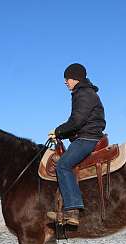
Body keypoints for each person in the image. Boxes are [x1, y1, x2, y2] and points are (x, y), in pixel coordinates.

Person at [47, 63, 106, 226]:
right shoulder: (84, 93)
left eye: (67, 78)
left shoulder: (84, 93)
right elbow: (77, 122)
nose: (66, 82)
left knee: (63, 165)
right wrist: (61, 133)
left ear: (75, 78)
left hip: (87, 138)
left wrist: (58, 131)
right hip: (86, 136)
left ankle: (72, 210)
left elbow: (77, 121)